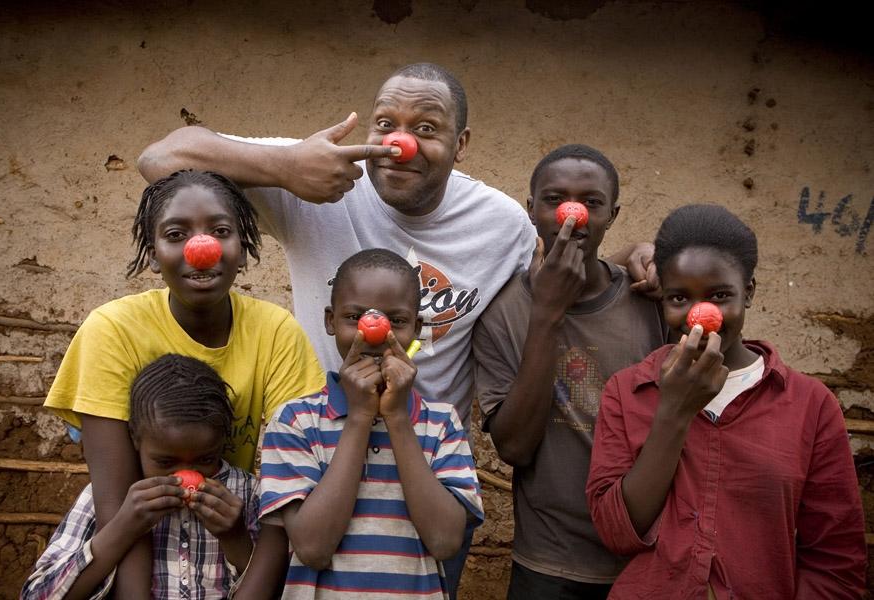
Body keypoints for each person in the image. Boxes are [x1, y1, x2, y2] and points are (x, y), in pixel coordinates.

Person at [137, 63, 655, 596]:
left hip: (427, 467)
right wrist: (286, 166)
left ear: (462, 144)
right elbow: (159, 159)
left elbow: (551, 288)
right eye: (385, 123)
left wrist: (633, 258)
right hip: (315, 461)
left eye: (427, 128)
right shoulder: (317, 180)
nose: (400, 143)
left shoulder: (502, 225)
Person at [43, 170, 324, 598]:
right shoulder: (111, 330)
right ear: (154, 254)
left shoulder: (276, 333)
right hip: (144, 544)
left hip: (231, 534)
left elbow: (287, 498)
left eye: (221, 231)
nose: (202, 248)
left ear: (243, 248)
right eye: (176, 234)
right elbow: (121, 508)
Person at [586, 204, 867, 599]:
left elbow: (835, 562)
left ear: (749, 291)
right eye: (679, 298)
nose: (701, 317)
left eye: (720, 295)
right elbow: (617, 532)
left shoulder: (811, 404)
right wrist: (674, 410)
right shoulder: (627, 391)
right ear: (662, 299)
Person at [472, 145, 667, 599]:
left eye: (591, 202)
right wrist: (547, 315)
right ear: (531, 209)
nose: (573, 215)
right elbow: (515, 447)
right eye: (555, 199)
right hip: (548, 561)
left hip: (647, 556)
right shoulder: (502, 315)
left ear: (612, 215)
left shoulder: (649, 302)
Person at [247, 248, 483, 599]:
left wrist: (398, 418)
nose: (374, 334)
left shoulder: (440, 423)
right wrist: (358, 418)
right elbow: (312, 547)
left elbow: (446, 541)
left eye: (396, 321)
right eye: (355, 317)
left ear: (417, 328)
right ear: (330, 321)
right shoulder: (295, 421)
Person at [24, 354, 260, 600]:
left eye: (205, 460)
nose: (185, 476)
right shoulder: (108, 495)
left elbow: (283, 587)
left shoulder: (246, 493)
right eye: (165, 462)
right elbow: (36, 595)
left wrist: (235, 538)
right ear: (135, 440)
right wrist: (122, 526)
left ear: (222, 442)